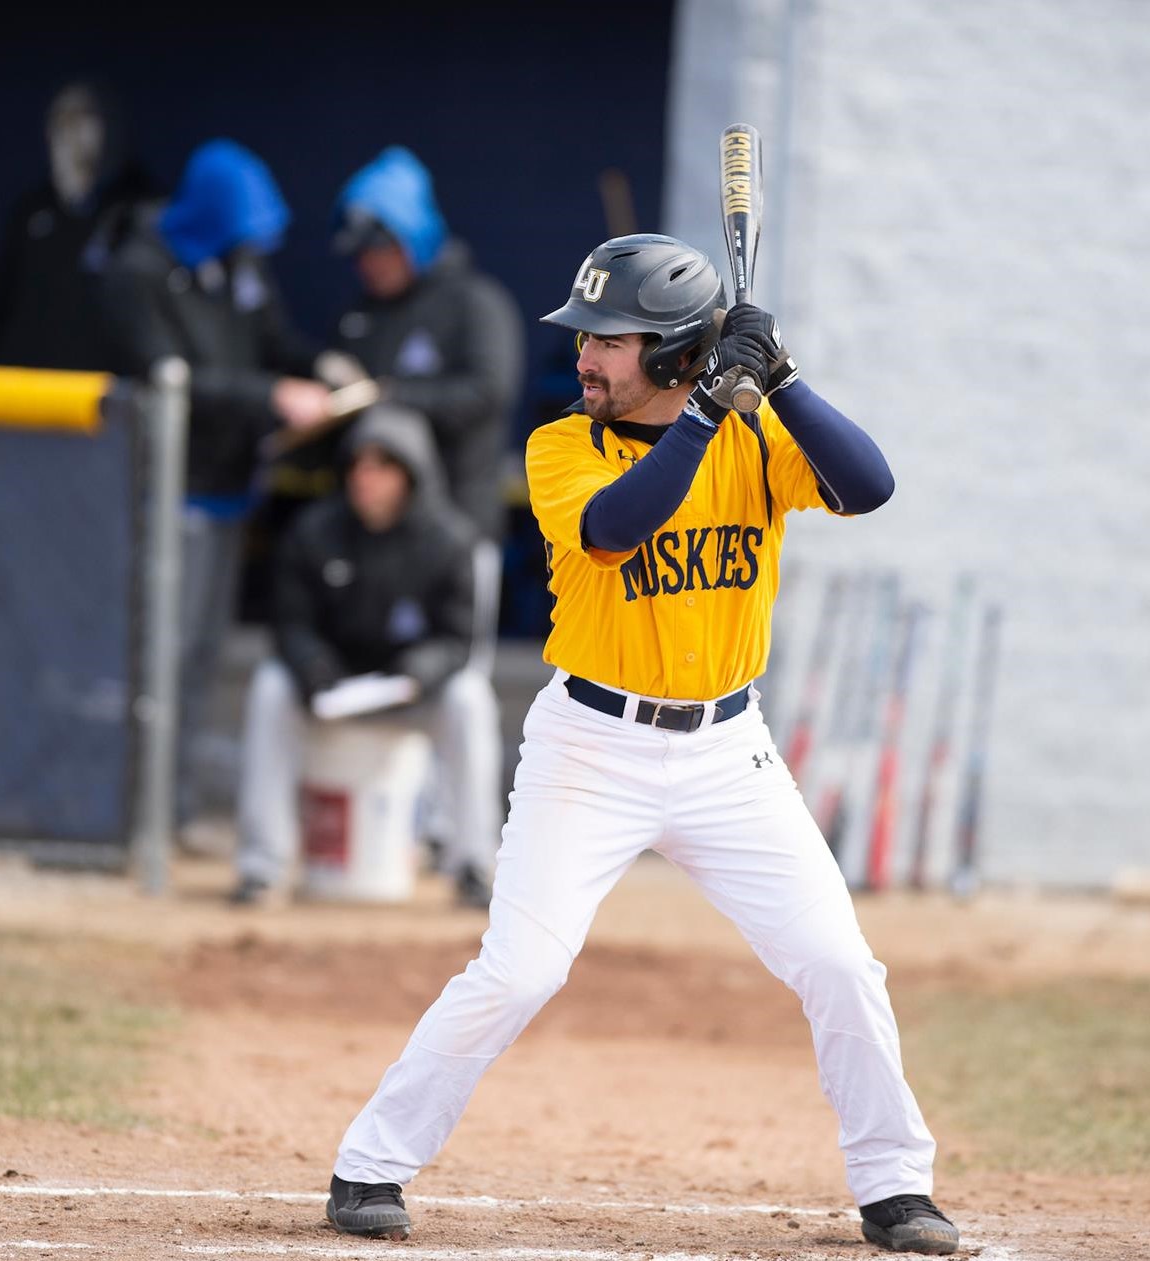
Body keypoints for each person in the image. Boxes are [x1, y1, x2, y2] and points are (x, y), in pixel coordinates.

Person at [321, 233, 959, 1255]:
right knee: (521, 969)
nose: (584, 359)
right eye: (584, 339)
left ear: (671, 353)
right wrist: (710, 408)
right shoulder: (559, 446)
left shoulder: (756, 441)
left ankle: (894, 1188)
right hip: (593, 749)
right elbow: (619, 527)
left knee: (840, 963)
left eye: (610, 342)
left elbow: (867, 485)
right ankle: (370, 1165)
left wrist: (781, 378)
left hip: (726, 751)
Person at [98, 138, 332, 836]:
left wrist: (323, 363)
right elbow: (172, 380)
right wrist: (274, 394)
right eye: (237, 231)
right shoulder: (136, 271)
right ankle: (133, 815)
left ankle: (168, 811)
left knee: (200, 659)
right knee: (157, 661)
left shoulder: (240, 267)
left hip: (231, 488)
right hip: (166, 493)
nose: (247, 247)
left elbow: (275, 339)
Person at [231, 407, 501, 910]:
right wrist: (313, 667)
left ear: (411, 473)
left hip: (409, 691)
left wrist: (419, 672)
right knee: (271, 688)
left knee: (469, 699)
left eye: (382, 466)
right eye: (358, 464)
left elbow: (458, 640)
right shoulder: (314, 532)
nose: (364, 477)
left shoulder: (449, 540)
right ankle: (262, 867)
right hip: (330, 685)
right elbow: (289, 624)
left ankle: (472, 864)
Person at [325, 146, 523, 540]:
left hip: (459, 519)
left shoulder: (476, 302)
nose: (370, 264)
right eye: (362, 253)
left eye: (382, 249)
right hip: (372, 531)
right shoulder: (360, 315)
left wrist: (386, 396)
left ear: (415, 237)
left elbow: (489, 391)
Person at [0, 80, 151, 370]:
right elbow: (6, 307)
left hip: (107, 393)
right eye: (61, 121)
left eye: (85, 119)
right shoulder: (31, 211)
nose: (69, 135)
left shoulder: (143, 211)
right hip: (31, 385)